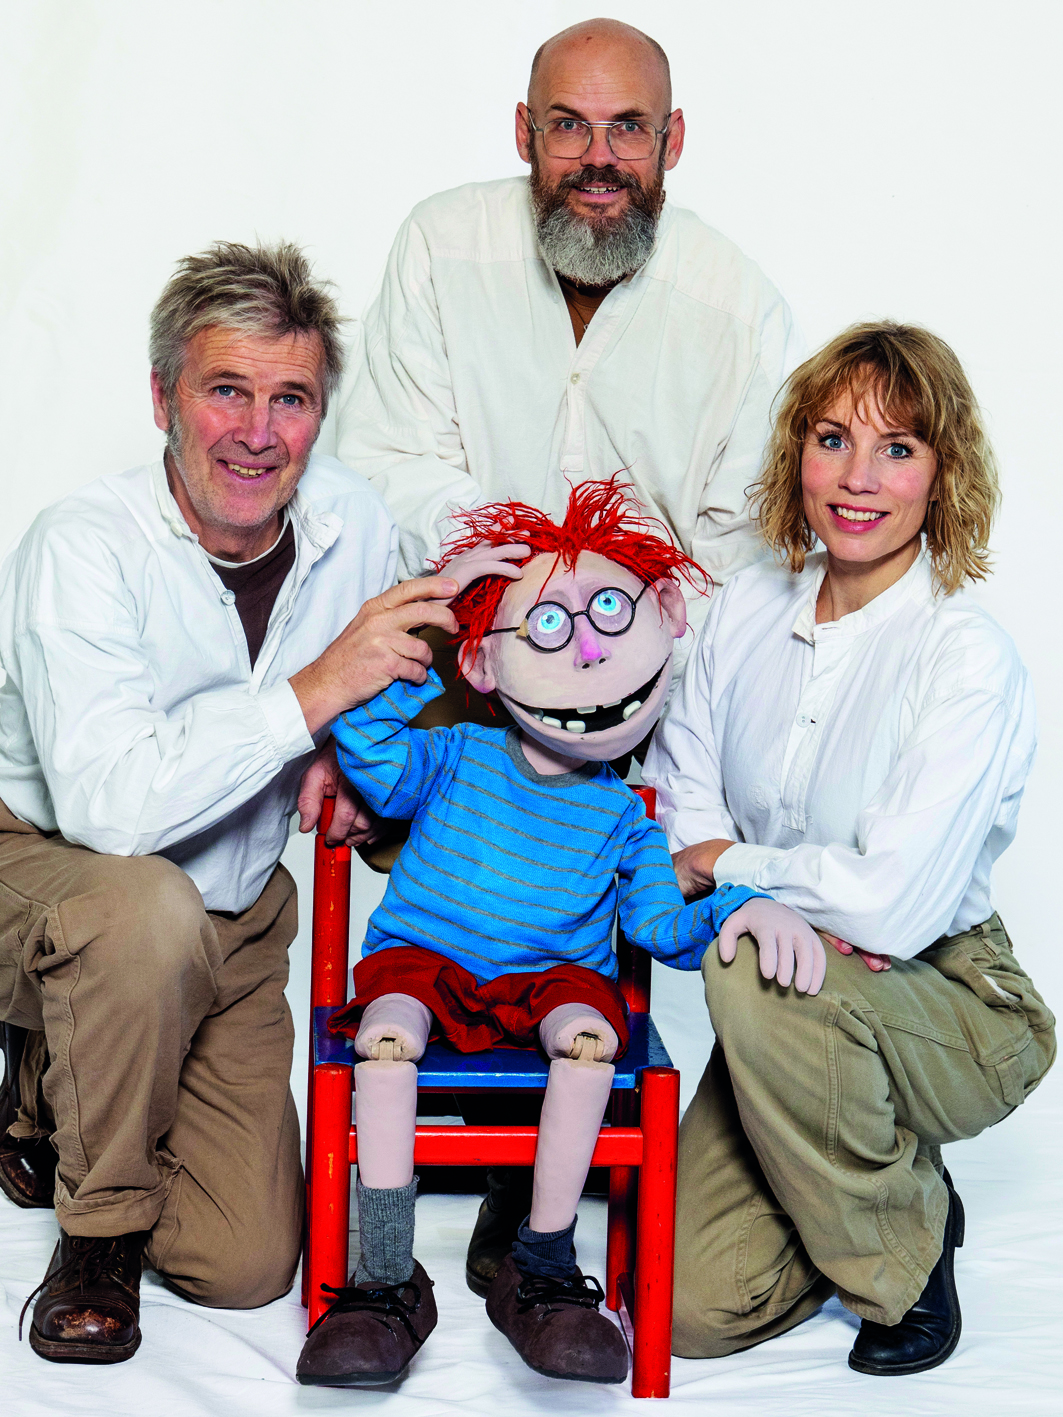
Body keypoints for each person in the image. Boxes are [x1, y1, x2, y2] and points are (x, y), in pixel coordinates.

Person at [0, 240, 465, 1364]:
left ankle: (59, 1081)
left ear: (319, 415)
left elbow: (426, 679)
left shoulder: (354, 524)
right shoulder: (82, 544)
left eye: (290, 399)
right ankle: (98, 1234)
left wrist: (356, 757)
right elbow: (111, 809)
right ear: (163, 397)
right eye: (226, 391)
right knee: (142, 909)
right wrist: (315, 696)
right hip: (50, 868)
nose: (258, 432)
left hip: (237, 912)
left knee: (245, 1260)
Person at [294, 479, 825, 1388]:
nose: (585, 650)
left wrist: (741, 903)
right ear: (484, 663)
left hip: (552, 980)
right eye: (547, 625)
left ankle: (540, 1263)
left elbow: (659, 925)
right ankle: (382, 1275)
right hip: (424, 965)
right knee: (385, 1040)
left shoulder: (626, 817)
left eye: (609, 614)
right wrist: (437, 618)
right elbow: (369, 750)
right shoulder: (455, 753)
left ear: (662, 618)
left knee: (589, 1039)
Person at [644, 322, 1056, 1375]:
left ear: (941, 472)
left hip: (950, 998)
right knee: (687, 1307)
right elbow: (679, 799)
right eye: (832, 440)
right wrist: (736, 877)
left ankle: (903, 1261)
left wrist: (736, 874)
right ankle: (866, 1164)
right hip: (796, 1013)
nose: (857, 478)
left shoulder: (964, 656)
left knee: (753, 960)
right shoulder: (747, 605)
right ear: (798, 455)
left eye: (896, 448)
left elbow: (889, 908)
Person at [335, 17, 802, 656]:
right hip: (462, 645)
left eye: (629, 127)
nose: (599, 157)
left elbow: (741, 561)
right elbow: (391, 459)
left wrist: (619, 656)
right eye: (568, 125)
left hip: (662, 676)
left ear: (672, 142)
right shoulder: (441, 245)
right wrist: (521, 595)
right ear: (525, 133)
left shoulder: (743, 311)